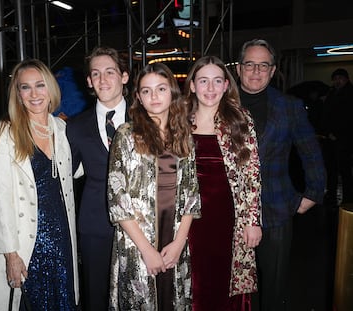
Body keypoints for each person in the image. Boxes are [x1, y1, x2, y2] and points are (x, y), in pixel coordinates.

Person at [0, 59, 79, 310]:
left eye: (40, 85)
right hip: (25, 241)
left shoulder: (63, 128)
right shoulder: (2, 133)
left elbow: (77, 170)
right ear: (18, 93)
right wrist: (10, 255)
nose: (34, 94)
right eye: (25, 87)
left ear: (52, 89)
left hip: (62, 236)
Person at [236, 39, 326, 311]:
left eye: (263, 65)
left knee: (273, 286)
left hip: (276, 209)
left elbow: (310, 150)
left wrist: (313, 192)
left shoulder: (289, 106)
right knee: (233, 288)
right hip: (230, 210)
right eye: (250, 64)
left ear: (273, 71)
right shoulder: (220, 102)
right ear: (239, 68)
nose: (256, 71)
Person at [107, 63, 201, 310]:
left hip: (174, 235)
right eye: (146, 91)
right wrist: (147, 250)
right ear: (138, 96)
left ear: (172, 92)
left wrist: (180, 242)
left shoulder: (184, 135)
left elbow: (192, 193)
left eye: (161, 89)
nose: (154, 96)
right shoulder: (126, 134)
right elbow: (117, 199)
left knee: (173, 299)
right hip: (137, 241)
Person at [184, 55, 262, 310]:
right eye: (203, 81)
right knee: (193, 283)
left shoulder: (239, 119)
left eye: (217, 81)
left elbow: (252, 173)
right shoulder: (179, 120)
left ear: (227, 85)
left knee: (224, 284)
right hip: (187, 219)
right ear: (192, 85)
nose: (210, 88)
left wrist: (253, 222)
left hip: (230, 217)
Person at [66, 46, 130, 311]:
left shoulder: (147, 118)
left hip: (142, 221)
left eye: (110, 72)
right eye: (96, 74)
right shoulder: (75, 126)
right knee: (96, 295)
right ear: (89, 81)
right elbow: (66, 172)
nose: (103, 80)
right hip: (95, 222)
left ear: (124, 76)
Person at [322, 68, 353, 205]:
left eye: (340, 78)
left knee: (345, 169)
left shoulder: (350, 93)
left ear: (346, 79)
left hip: (345, 138)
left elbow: (348, 116)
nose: (337, 81)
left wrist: (338, 133)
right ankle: (331, 194)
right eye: (335, 79)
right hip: (330, 137)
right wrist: (328, 131)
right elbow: (326, 114)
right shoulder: (332, 93)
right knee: (331, 168)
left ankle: (348, 197)